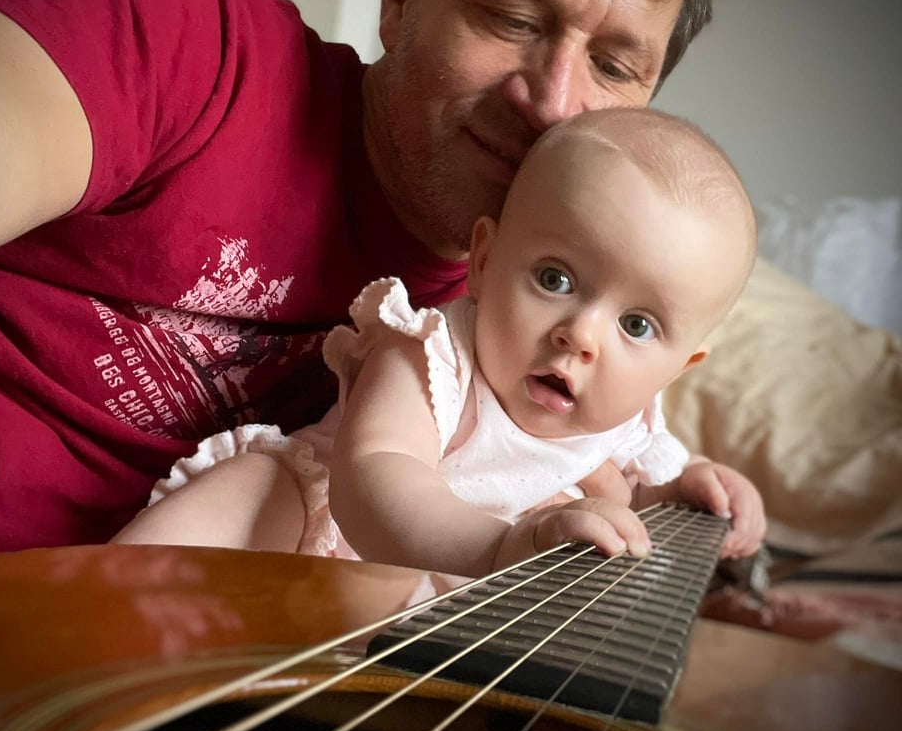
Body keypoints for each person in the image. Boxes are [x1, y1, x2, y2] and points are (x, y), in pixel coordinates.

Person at [0, 0, 745, 573]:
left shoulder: (526, 345)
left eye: (614, 64)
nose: (552, 101)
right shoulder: (181, 42)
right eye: (515, 20)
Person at [114, 108, 766, 576]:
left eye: (637, 326)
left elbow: (630, 490)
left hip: (422, 595)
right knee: (246, 500)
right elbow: (377, 476)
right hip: (321, 524)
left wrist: (690, 487)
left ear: (679, 368)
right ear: (483, 260)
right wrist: (497, 549)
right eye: (554, 278)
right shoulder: (431, 353)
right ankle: (83, 628)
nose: (582, 334)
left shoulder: (626, 422)